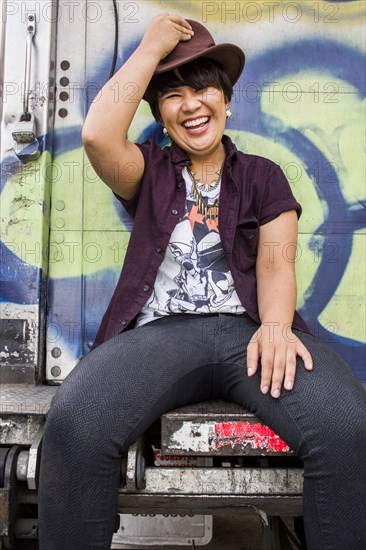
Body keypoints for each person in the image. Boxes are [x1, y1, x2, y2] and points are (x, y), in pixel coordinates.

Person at [38, 13, 366, 550]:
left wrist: (278, 327)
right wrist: (150, 48)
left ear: (226, 100)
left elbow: (278, 261)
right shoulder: (149, 172)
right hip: (160, 336)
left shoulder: (263, 175)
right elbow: (98, 135)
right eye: (172, 96)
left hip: (251, 333)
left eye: (202, 88)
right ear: (161, 117)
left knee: (348, 428)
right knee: (75, 425)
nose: (190, 103)